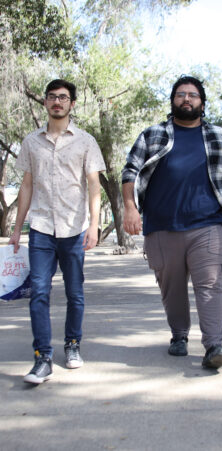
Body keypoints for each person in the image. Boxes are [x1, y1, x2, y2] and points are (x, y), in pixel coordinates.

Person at [122, 76, 222, 369]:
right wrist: (130, 208)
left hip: (208, 223)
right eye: (181, 94)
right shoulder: (152, 135)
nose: (187, 99)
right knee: (172, 287)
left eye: (193, 95)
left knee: (210, 284)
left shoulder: (220, 136)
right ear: (173, 101)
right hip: (162, 226)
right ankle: (179, 334)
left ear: (202, 102)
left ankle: (213, 345)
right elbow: (130, 171)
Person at [9, 79, 106, 384]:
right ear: (46, 103)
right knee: (39, 292)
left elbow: (93, 186)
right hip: (40, 228)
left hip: (74, 229)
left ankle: (73, 344)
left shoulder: (86, 141)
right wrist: (15, 229)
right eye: (52, 97)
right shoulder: (31, 141)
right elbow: (26, 185)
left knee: (75, 294)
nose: (57, 102)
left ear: (72, 104)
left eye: (63, 98)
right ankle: (43, 357)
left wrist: (93, 225)